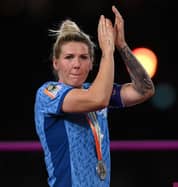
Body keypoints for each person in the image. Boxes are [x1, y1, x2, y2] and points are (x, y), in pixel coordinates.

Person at [34, 5, 155, 187]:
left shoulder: (96, 89)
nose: (76, 64)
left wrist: (121, 46)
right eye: (69, 57)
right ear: (56, 63)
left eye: (83, 57)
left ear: (91, 63)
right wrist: (108, 52)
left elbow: (144, 90)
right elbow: (98, 99)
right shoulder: (48, 93)